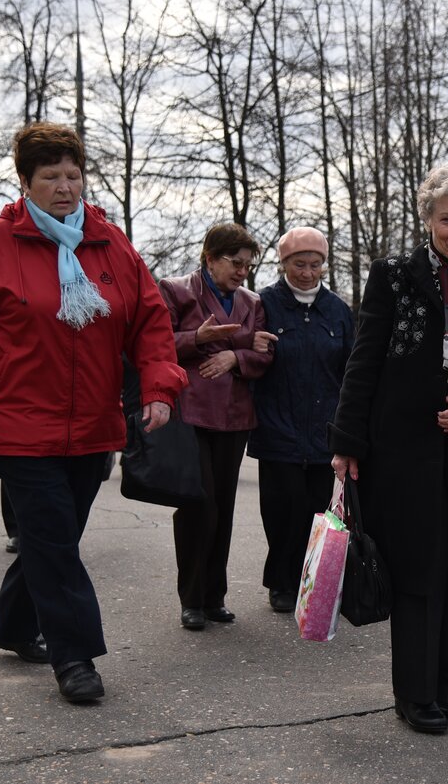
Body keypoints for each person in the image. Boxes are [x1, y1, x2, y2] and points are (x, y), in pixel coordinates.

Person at [0, 122, 186, 704]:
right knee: (51, 538)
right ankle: (75, 656)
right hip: (17, 421)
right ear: (25, 182)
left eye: (73, 175)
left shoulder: (110, 243)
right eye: (50, 176)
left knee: (55, 537)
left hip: (93, 422)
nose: (65, 187)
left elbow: (150, 322)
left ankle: (15, 626)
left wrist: (158, 386)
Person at [329, 165, 448, 734]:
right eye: (447, 219)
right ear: (429, 221)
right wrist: (346, 442)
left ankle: (444, 687)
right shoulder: (394, 276)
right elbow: (364, 360)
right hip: (404, 452)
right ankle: (414, 696)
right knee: (419, 573)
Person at [159, 223, 275, 631]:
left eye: (248, 265)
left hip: (234, 416)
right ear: (210, 258)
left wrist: (235, 358)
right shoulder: (176, 290)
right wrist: (197, 337)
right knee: (198, 505)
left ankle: (214, 597)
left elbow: (265, 355)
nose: (242, 271)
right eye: (235, 262)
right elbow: (157, 343)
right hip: (191, 413)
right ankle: (191, 599)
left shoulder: (252, 301)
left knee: (223, 506)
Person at [247, 227, 353, 614]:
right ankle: (281, 582)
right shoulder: (263, 304)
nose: (307, 273)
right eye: (298, 264)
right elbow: (248, 357)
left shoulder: (337, 311)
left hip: (324, 430)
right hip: (278, 427)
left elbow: (350, 369)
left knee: (317, 511)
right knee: (282, 510)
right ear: (283, 263)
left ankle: (313, 581)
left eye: (315, 264)